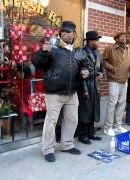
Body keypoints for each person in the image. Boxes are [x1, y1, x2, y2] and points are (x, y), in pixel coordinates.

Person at [32, 21, 89, 162]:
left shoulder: (78, 51)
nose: (64, 33)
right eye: (62, 31)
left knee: (72, 120)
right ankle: (48, 149)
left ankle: (67, 145)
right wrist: (43, 51)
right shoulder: (53, 48)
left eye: (67, 31)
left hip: (72, 93)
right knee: (51, 122)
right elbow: (37, 62)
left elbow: (85, 65)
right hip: (54, 93)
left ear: (74, 34)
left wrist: (85, 71)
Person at [103, 32, 130, 136]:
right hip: (113, 79)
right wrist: (112, 68)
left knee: (121, 104)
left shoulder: (128, 49)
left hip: (124, 79)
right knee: (112, 103)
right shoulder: (110, 48)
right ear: (116, 39)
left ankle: (117, 126)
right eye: (122, 37)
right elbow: (103, 62)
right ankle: (108, 127)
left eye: (125, 36)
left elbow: (129, 61)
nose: (124, 38)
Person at [76, 31, 105, 144]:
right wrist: (90, 74)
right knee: (85, 111)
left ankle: (91, 133)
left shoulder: (98, 52)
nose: (98, 42)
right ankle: (82, 135)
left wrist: (102, 73)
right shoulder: (82, 52)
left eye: (98, 40)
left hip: (96, 86)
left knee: (93, 110)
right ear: (90, 41)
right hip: (85, 86)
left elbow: (102, 66)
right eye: (96, 40)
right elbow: (78, 70)